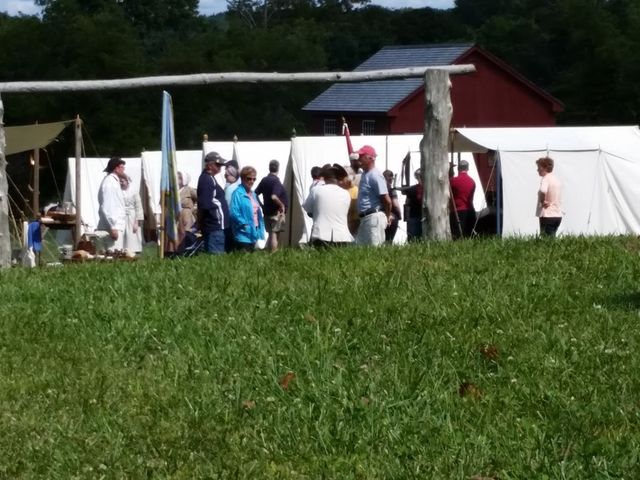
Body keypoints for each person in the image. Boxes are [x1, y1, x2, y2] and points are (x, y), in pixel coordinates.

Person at [303, 165, 353, 247]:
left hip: (320, 235)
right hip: (342, 237)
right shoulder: (346, 194)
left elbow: (308, 209)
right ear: (339, 179)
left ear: (324, 178)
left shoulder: (316, 190)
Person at [354, 145, 391, 246]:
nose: (359, 159)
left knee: (375, 249)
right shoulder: (365, 174)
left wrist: (387, 216)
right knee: (362, 250)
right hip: (366, 219)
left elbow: (386, 200)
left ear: (370, 158)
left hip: (373, 218)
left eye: (362, 156)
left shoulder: (375, 175)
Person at [197, 151, 230, 254]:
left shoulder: (210, 178)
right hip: (214, 225)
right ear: (210, 165)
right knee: (216, 257)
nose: (220, 167)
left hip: (215, 226)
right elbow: (204, 205)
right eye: (218, 165)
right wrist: (199, 222)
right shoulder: (206, 180)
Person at [229, 166, 265, 252]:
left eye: (254, 179)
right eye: (249, 178)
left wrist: (261, 231)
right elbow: (233, 213)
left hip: (255, 234)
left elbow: (258, 214)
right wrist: (244, 224)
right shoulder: (237, 193)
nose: (252, 181)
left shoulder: (254, 194)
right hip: (243, 235)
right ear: (242, 178)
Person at [255, 159, 288, 252]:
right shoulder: (276, 181)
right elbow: (274, 196)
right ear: (278, 168)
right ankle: (273, 254)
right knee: (274, 234)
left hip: (267, 212)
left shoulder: (264, 180)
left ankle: (268, 252)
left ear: (269, 168)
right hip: (275, 212)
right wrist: (282, 205)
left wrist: (261, 205)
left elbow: (255, 194)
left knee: (271, 233)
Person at [97, 157, 126, 252]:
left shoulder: (113, 182)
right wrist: (113, 227)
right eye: (122, 167)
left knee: (116, 256)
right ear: (116, 168)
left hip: (113, 226)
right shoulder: (110, 183)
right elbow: (107, 206)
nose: (124, 169)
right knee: (113, 256)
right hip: (111, 228)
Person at [536, 156, 563, 237]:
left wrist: (542, 201)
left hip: (547, 215)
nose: (537, 170)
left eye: (539, 167)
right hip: (557, 215)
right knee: (552, 239)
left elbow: (543, 190)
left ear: (544, 168)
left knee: (546, 240)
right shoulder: (556, 179)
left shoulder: (545, 179)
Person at [449, 159, 476, 239]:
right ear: (467, 168)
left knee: (456, 237)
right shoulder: (472, 181)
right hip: (470, 210)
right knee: (468, 236)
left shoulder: (453, 181)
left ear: (458, 169)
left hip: (457, 211)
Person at [120, 175, 144, 254]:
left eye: (122, 181)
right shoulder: (119, 192)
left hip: (132, 216)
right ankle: (124, 250)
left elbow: (138, 207)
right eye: (120, 181)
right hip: (122, 216)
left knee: (132, 233)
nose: (121, 183)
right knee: (123, 233)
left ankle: (135, 250)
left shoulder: (134, 191)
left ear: (127, 181)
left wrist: (137, 222)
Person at [400, 168, 423, 241]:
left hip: (415, 216)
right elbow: (407, 203)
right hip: (415, 216)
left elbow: (407, 203)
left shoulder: (412, 189)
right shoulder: (412, 190)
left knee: (414, 238)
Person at [178, 171, 197, 245]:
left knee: (186, 233)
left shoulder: (189, 190)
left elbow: (199, 199)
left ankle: (187, 247)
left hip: (186, 215)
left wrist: (194, 209)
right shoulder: (174, 191)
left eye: (179, 178)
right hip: (177, 215)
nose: (177, 180)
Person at [382, 169, 401, 244]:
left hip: (381, 215)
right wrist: (399, 215)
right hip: (391, 216)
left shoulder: (379, 188)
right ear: (390, 178)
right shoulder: (391, 189)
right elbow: (395, 204)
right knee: (389, 241)